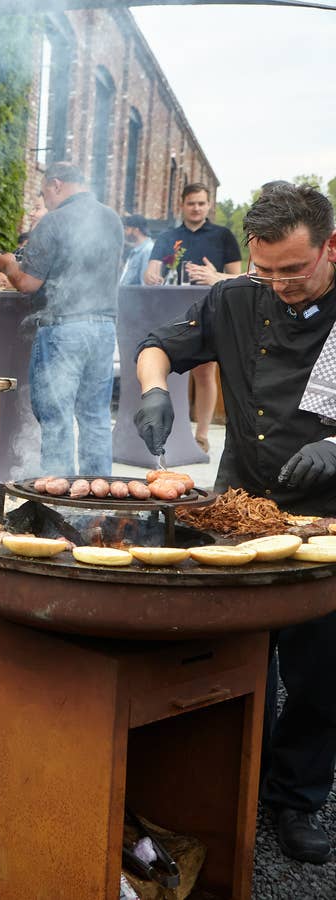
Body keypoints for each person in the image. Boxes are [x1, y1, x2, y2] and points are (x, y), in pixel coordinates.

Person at [134, 182, 336, 864]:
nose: (278, 283)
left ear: (329, 247)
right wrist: (157, 392)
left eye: (294, 270)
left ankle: (298, 798)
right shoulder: (235, 297)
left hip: (326, 521)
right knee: (236, 653)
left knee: (320, 669)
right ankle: (234, 782)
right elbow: (158, 346)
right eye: (265, 269)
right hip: (238, 510)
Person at [0, 161, 124, 476]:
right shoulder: (111, 219)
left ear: (56, 184)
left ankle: (61, 497)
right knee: (95, 416)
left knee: (56, 417)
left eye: (44, 194)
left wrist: (8, 264)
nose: (45, 202)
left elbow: (28, 283)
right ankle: (98, 498)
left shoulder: (53, 222)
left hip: (62, 329)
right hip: (104, 329)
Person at [144, 183, 243, 453]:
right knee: (168, 369)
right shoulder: (168, 237)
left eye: (201, 203)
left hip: (210, 310)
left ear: (209, 205)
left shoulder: (224, 236)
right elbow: (151, 272)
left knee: (205, 371)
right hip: (172, 311)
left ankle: (201, 435)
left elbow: (239, 277)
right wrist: (153, 275)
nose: (196, 208)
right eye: (191, 203)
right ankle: (168, 436)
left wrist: (214, 277)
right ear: (182, 205)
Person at [120, 214, 154, 286]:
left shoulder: (147, 250)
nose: (124, 232)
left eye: (127, 229)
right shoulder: (136, 250)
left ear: (136, 230)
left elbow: (145, 285)